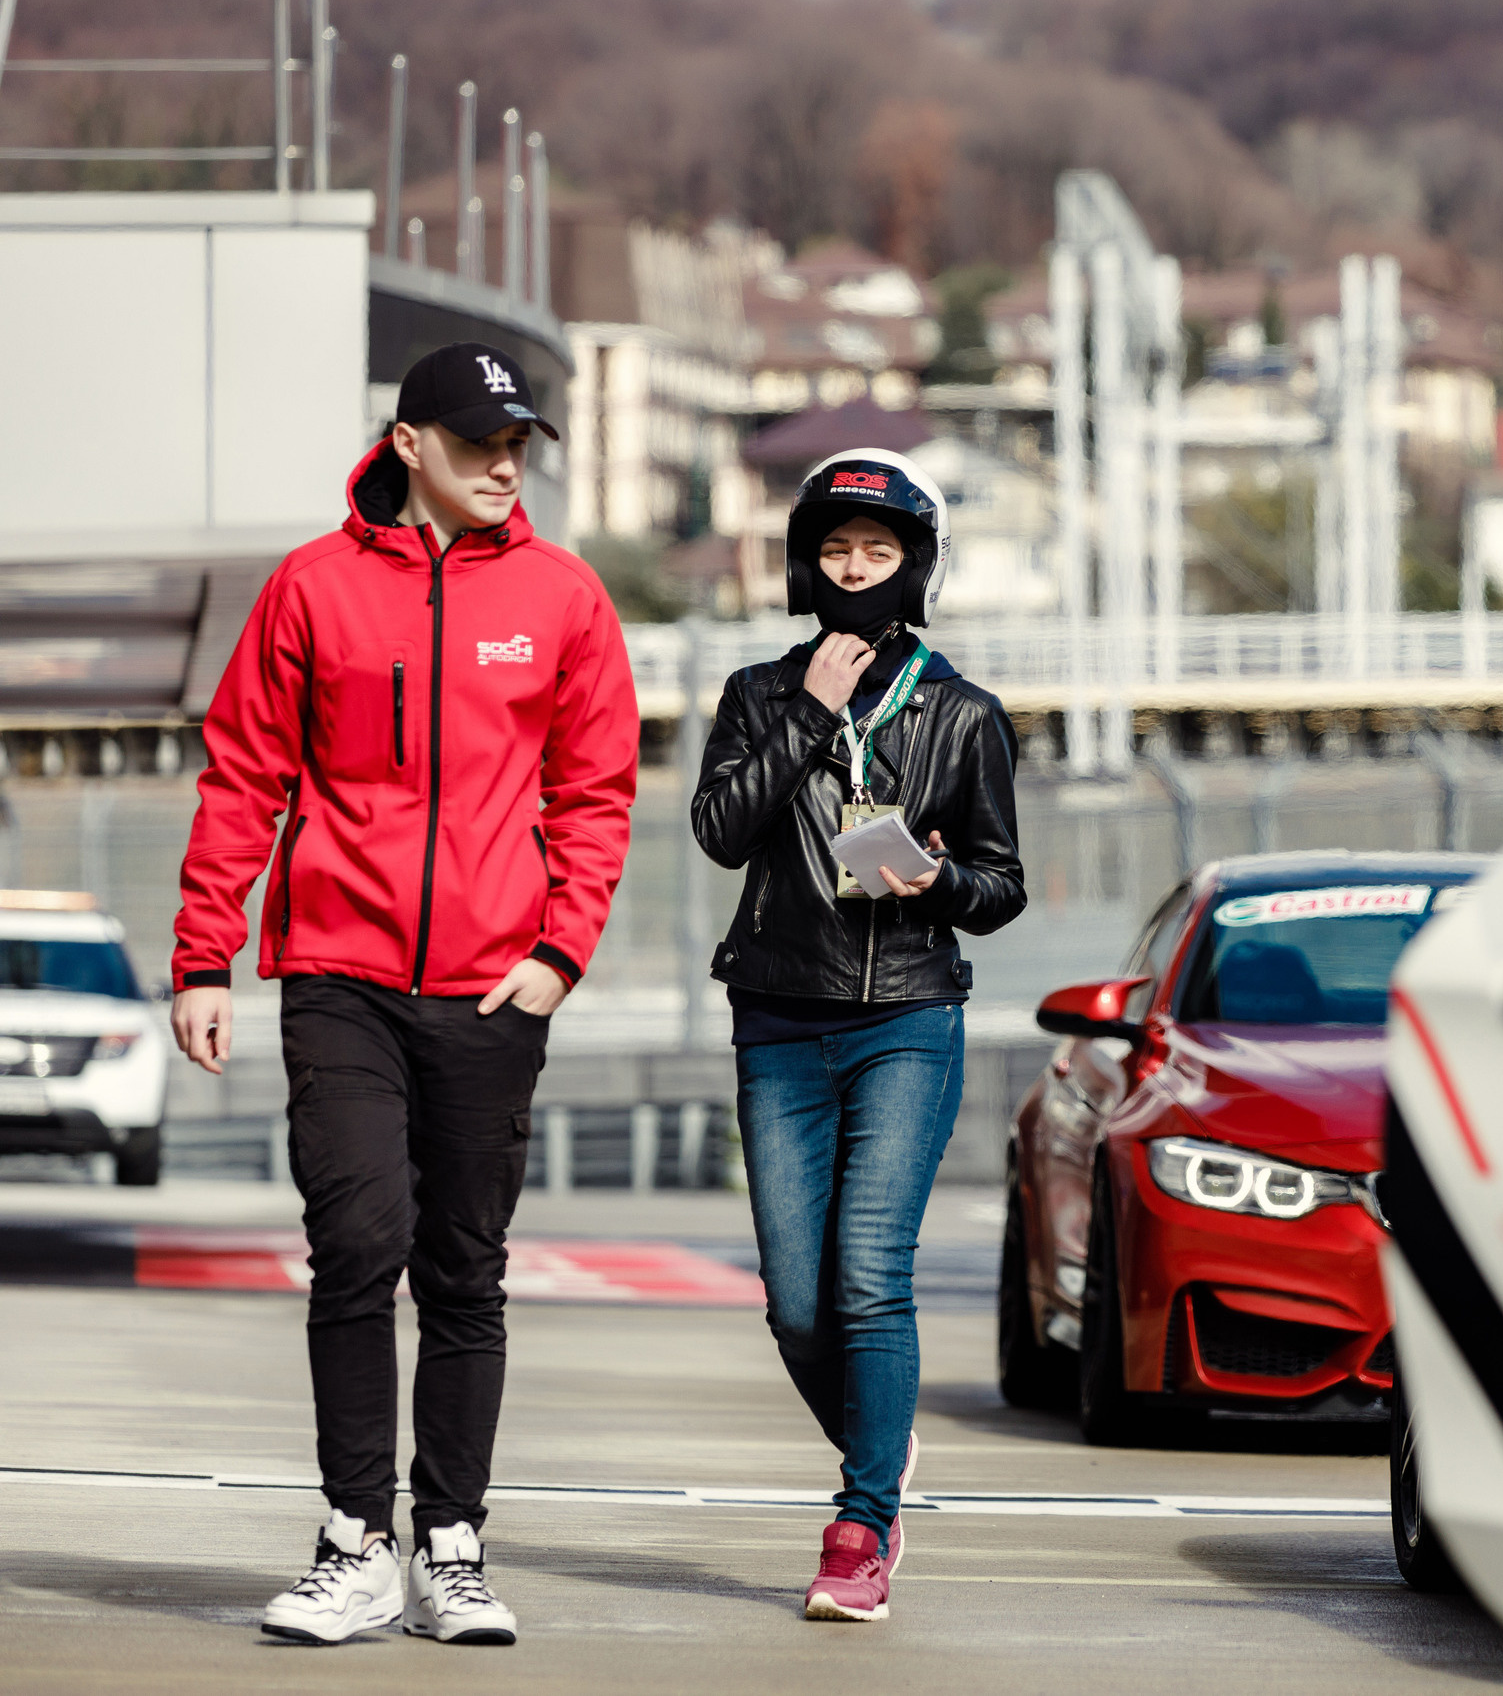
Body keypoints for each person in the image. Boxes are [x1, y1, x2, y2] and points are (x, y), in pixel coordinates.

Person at [169, 342, 639, 1647]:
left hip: (496, 987)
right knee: (358, 1240)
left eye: (520, 440)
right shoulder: (312, 588)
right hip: (337, 973)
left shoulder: (564, 598)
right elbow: (242, 778)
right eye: (481, 437)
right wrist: (204, 954)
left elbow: (596, 795)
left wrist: (559, 950)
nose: (506, 460)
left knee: (465, 1267)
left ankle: (451, 1543)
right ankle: (353, 1539)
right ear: (409, 441)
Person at [692, 447, 1024, 1622]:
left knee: (868, 1276)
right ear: (804, 563)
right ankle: (882, 1440)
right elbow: (720, 832)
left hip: (907, 1021)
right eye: (834, 551)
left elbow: (1002, 884)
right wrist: (808, 714)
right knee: (795, 1300)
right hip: (778, 1017)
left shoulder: (963, 713)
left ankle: (860, 1524)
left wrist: (931, 883)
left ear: (914, 567)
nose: (853, 570)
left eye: (876, 553)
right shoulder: (755, 694)